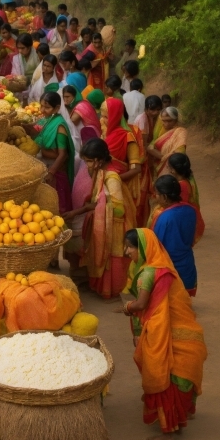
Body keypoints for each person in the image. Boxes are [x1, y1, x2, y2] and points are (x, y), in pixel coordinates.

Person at [121, 228, 207, 440]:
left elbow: (141, 304)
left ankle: (168, 434)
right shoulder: (164, 269)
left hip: (166, 334)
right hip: (185, 334)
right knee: (176, 378)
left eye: (130, 246)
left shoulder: (149, 273)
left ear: (142, 248)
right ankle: (178, 417)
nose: (126, 251)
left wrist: (128, 307)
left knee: (162, 376)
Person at [69, 138, 136, 298]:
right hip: (105, 222)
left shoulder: (111, 178)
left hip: (115, 226)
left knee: (110, 257)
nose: (87, 165)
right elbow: (99, 201)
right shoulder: (100, 173)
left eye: (89, 161)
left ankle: (112, 291)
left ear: (98, 161)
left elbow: (118, 209)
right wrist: (76, 212)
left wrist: (96, 210)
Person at [148, 175, 204, 295]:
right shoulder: (191, 210)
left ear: (164, 196)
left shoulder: (164, 217)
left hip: (169, 269)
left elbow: (157, 245)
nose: (155, 197)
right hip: (187, 266)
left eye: (156, 194)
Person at [24, 89, 76, 212]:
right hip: (45, 164)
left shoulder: (59, 126)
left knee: (57, 204)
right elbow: (35, 130)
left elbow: (63, 154)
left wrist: (51, 173)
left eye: (46, 107)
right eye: (41, 105)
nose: (42, 110)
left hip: (55, 170)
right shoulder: (47, 120)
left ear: (57, 108)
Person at [147, 106, 187, 179]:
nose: (166, 124)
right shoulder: (159, 131)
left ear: (176, 120)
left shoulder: (180, 132)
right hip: (159, 167)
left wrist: (163, 158)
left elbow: (180, 152)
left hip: (174, 168)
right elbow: (150, 147)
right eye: (164, 121)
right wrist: (163, 157)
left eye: (169, 121)